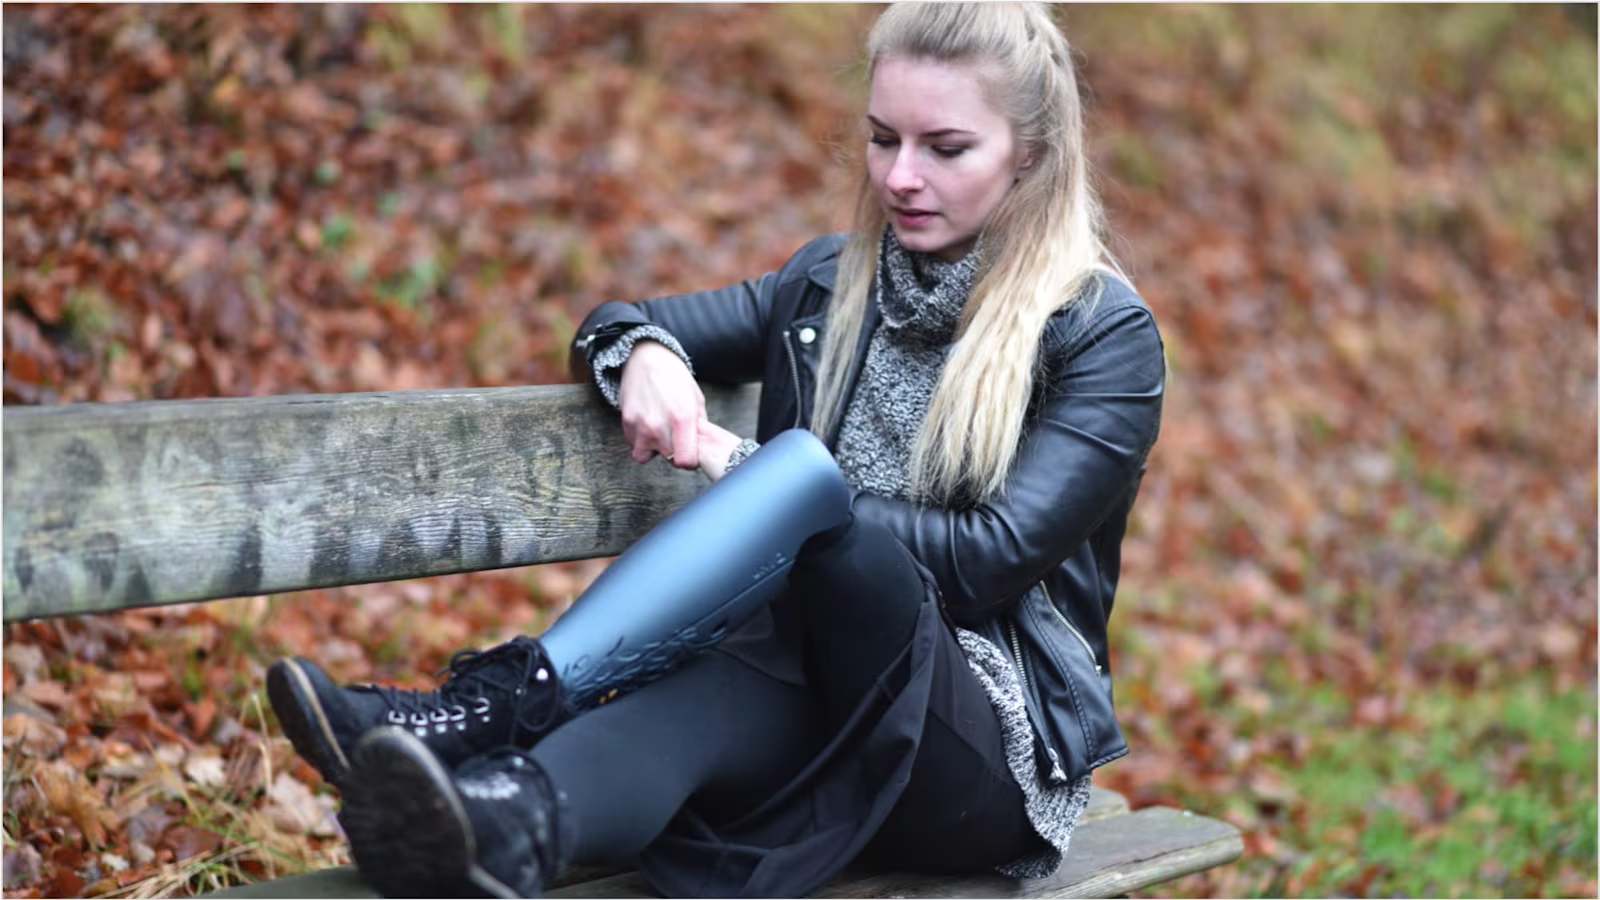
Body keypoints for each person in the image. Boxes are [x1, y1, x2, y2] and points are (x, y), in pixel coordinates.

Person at [265, 3, 1165, 897]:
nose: (900, 176)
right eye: (883, 138)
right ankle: (503, 818)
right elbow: (620, 323)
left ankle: (490, 706)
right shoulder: (826, 282)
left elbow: (986, 560)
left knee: (804, 490)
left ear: (1032, 156)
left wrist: (762, 480)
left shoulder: (1097, 333)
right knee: (698, 700)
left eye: (945, 148)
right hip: (816, 691)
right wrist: (645, 353)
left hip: (978, 759)